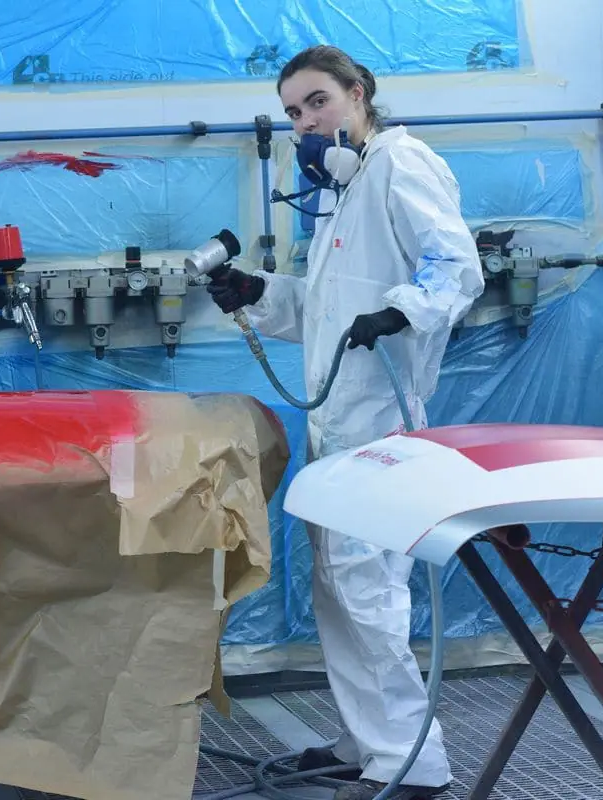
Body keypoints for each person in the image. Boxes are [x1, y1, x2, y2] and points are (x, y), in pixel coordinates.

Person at [207, 45, 484, 800]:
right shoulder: (342, 187)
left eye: (317, 102)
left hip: (381, 422)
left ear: (359, 94)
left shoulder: (400, 162)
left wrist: (403, 310)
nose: (304, 121)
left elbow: (456, 267)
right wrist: (258, 291)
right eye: (293, 112)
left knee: (368, 592)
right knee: (338, 591)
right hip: (337, 424)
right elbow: (329, 314)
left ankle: (411, 767)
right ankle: (366, 742)